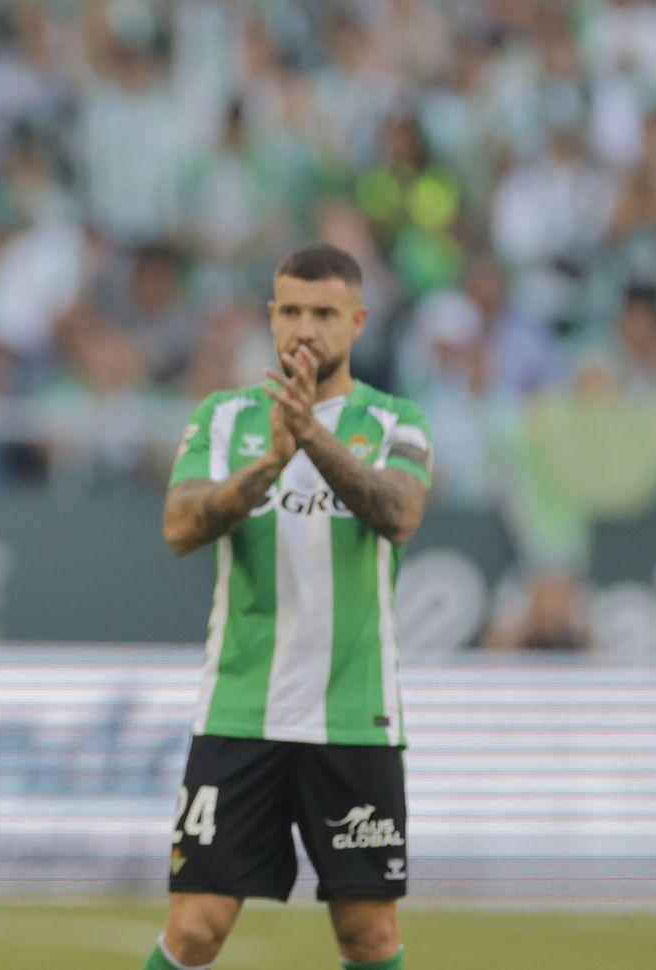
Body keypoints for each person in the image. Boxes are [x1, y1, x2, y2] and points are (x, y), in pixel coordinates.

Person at [144, 244, 433, 970]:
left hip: (355, 716)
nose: (307, 328)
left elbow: (398, 513)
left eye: (326, 313)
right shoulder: (223, 419)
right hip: (240, 711)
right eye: (293, 311)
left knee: (368, 935)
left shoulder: (397, 421)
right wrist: (270, 463)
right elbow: (180, 527)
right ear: (272, 317)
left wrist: (312, 437)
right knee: (195, 930)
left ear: (358, 321)